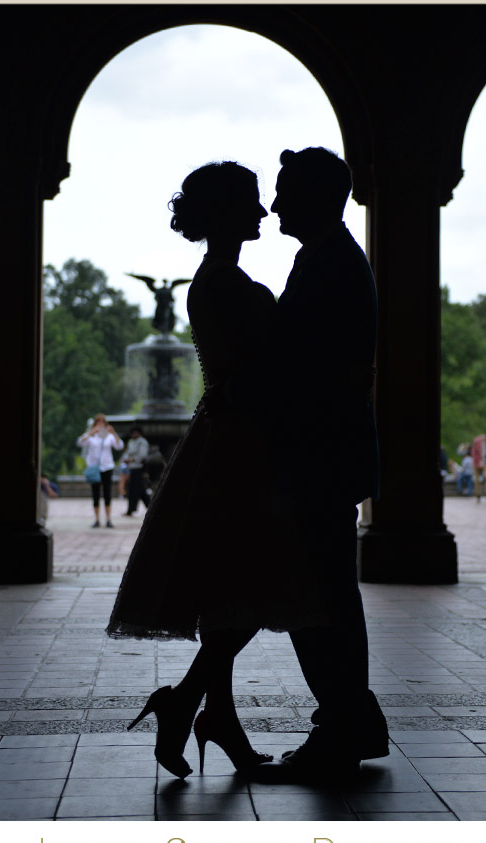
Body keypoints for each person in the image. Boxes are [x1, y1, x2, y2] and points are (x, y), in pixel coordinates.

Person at [107, 162, 315, 779]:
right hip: (243, 445)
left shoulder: (215, 279)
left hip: (226, 438)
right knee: (249, 587)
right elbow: (263, 371)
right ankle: (197, 708)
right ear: (226, 212)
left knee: (233, 589)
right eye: (251, 201)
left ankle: (203, 709)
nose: (261, 212)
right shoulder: (225, 282)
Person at [263, 147, 387, 780]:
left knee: (320, 599)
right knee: (327, 595)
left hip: (319, 459)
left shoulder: (330, 264)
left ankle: (342, 726)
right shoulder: (331, 258)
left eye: (286, 191)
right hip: (329, 457)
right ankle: (350, 721)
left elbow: (301, 370)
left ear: (315, 195)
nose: (277, 204)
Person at [78, 415, 123, 528]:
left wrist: (114, 433)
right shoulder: (91, 436)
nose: (100, 426)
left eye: (102, 423)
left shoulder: (109, 436)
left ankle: (108, 519)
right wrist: (91, 432)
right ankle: (97, 519)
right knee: (96, 493)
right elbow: (80, 442)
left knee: (107, 493)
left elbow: (119, 446)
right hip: (94, 467)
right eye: (98, 423)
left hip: (107, 467)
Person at [121, 426, 152, 515]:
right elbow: (126, 453)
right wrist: (126, 460)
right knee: (138, 490)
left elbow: (143, 455)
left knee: (135, 490)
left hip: (139, 468)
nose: (134, 434)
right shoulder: (131, 442)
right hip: (132, 468)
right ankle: (149, 506)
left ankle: (131, 509)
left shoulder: (142, 442)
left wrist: (131, 460)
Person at [472, 431, 486, 502]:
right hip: (477, 462)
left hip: (485, 462)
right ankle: (478, 494)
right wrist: (479, 461)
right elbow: (474, 452)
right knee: (477, 480)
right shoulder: (477, 441)